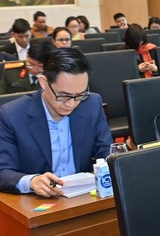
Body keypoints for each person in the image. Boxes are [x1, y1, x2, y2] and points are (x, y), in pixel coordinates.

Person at [0, 47, 112, 195]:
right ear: (44, 83)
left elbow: (107, 153)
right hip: (36, 203)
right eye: (64, 96)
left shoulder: (91, 104)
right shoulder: (11, 116)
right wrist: (32, 181)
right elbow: (3, 171)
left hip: (84, 195)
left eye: (79, 95)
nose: (71, 103)